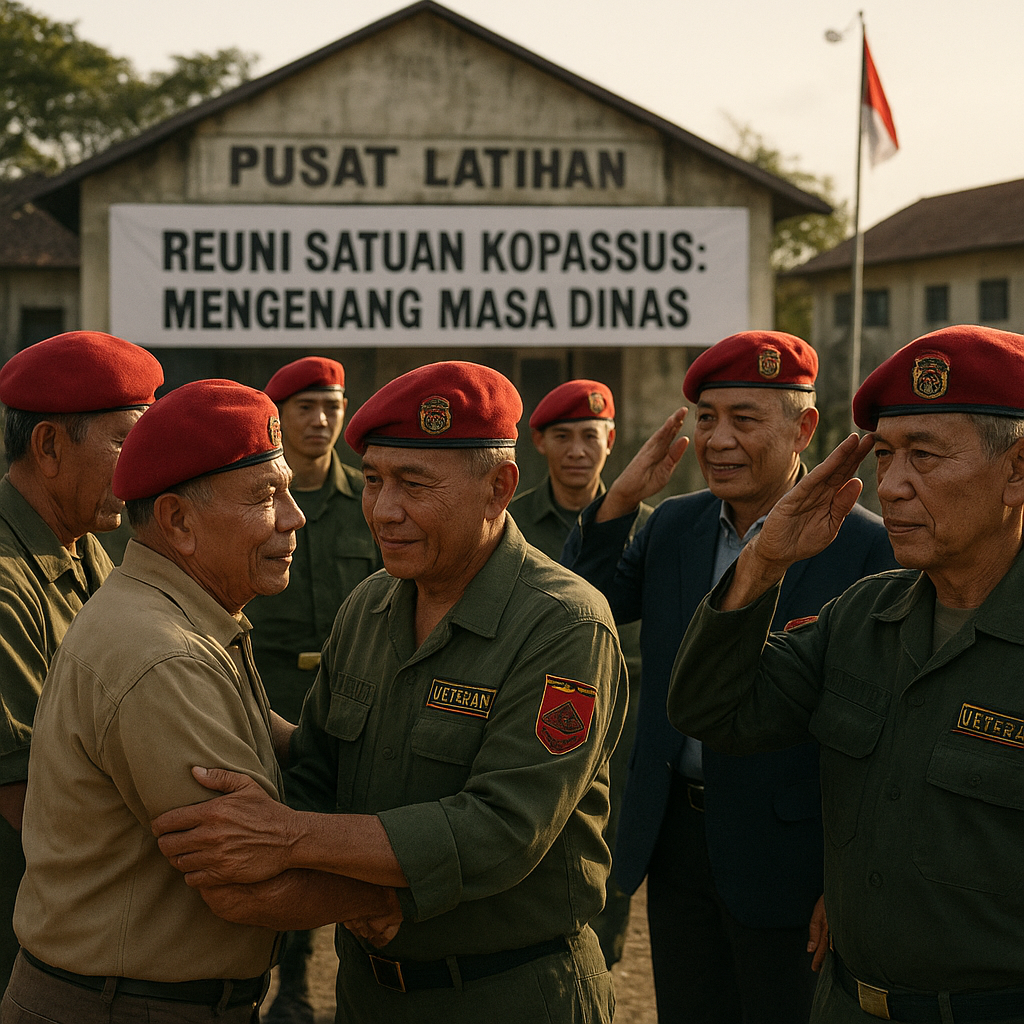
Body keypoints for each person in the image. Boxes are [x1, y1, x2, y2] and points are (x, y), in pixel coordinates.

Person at [152, 361, 627, 1024]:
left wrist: (292, 837)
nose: (383, 510)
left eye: (413, 484)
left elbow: (504, 828)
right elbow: (321, 766)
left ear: (499, 488)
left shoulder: (563, 623)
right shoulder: (370, 606)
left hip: (509, 992)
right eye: (374, 481)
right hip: (371, 993)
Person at [4, 379, 396, 1024]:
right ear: (178, 521)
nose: (295, 518)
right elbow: (244, 885)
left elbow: (266, 751)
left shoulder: (180, 614)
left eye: (290, 493)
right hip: (124, 1003)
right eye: (267, 498)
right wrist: (384, 896)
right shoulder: (164, 654)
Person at [670, 324, 1024, 1023]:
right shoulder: (863, 618)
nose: (890, 487)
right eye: (885, 456)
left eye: (923, 456)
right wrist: (764, 563)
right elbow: (712, 711)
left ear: (1017, 470)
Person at [563, 331, 895, 1023]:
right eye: (707, 418)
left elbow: (879, 726)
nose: (718, 440)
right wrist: (620, 499)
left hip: (792, 850)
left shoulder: (866, 544)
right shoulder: (674, 526)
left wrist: (845, 879)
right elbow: (581, 608)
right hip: (675, 836)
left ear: (804, 427)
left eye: (744, 420)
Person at [0, 330, 163, 992]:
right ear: (47, 447)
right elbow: (24, 795)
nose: (141, 468)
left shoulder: (83, 542)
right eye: (127, 441)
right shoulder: (8, 580)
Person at [249, 357, 381, 1024]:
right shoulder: (254, 499)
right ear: (280, 418)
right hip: (266, 694)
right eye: (306, 407)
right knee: (282, 839)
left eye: (331, 406)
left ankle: (370, 976)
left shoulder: (372, 497)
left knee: (359, 835)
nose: (321, 420)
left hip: (353, 695)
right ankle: (292, 986)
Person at [510, 377, 650, 966]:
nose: (577, 450)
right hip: (531, 700)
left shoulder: (649, 526)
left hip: (628, 700)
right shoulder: (509, 522)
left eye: (589, 436)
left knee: (613, 828)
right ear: (538, 443)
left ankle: (606, 950)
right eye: (562, 436)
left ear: (610, 440)